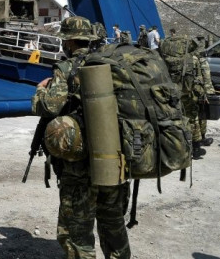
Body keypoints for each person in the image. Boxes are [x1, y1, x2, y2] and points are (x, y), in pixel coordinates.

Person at [33, 16, 131, 259]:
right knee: (113, 223)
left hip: (79, 166)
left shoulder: (66, 68)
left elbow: (48, 108)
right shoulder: (111, 64)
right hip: (115, 160)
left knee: (77, 231)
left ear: (68, 41)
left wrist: (40, 90)